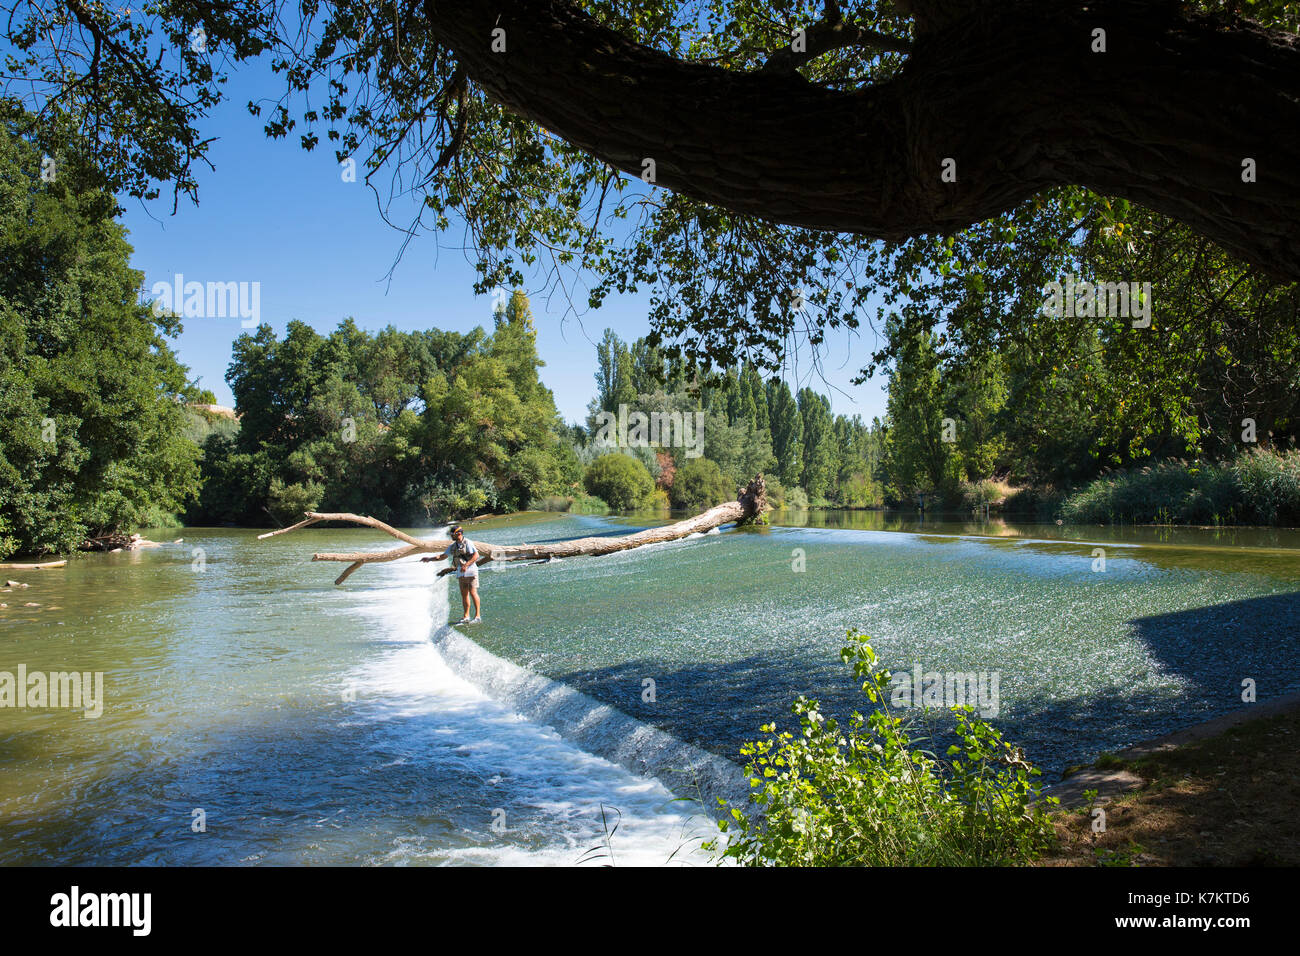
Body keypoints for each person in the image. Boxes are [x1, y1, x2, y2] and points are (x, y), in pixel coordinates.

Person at [422, 525, 481, 624]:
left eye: (452, 534)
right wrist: (429, 559)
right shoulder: (453, 546)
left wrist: (466, 565)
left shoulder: (468, 543)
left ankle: (477, 616)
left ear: (459, 533)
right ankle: (466, 616)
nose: (451, 536)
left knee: (473, 592)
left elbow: (476, 555)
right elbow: (442, 556)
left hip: (471, 571)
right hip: (460, 571)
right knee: (464, 594)